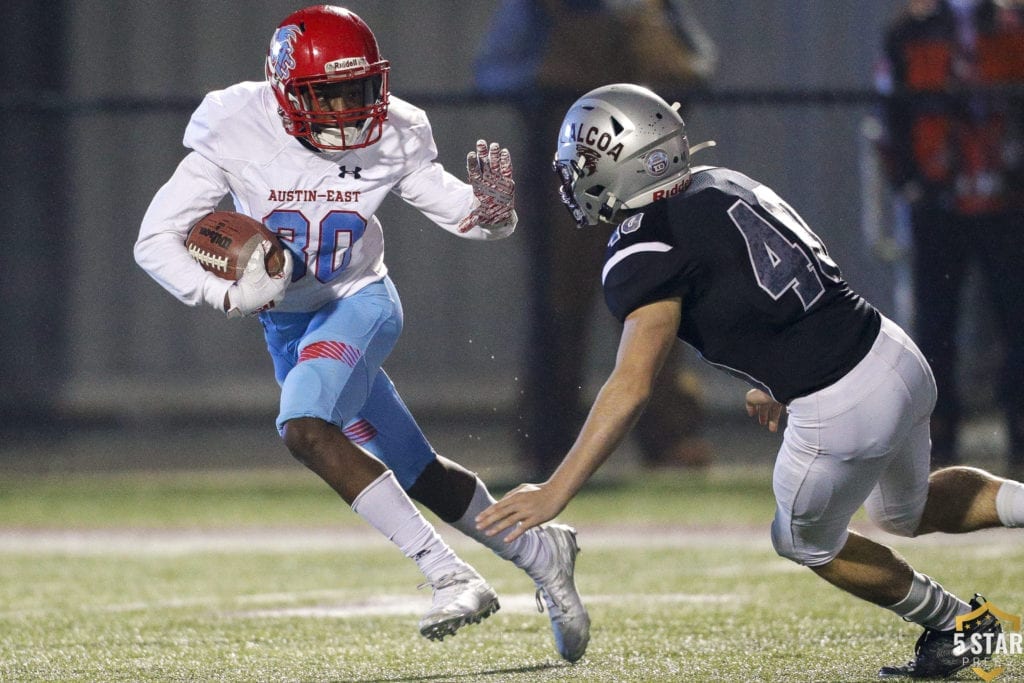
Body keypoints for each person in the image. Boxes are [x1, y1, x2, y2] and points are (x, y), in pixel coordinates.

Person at [476, 83, 1024, 678]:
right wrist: (775, 375)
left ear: (629, 161)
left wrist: (556, 490)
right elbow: (786, 279)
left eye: (586, 162)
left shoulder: (644, 247)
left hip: (840, 399)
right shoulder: (718, 180)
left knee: (804, 543)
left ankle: (965, 628)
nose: (575, 178)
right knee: (903, 513)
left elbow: (631, 386)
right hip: (892, 353)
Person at [134, 5, 589, 661]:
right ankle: (542, 552)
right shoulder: (237, 125)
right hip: (287, 324)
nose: (349, 109)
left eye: (359, 90)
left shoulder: (397, 130)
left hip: (360, 301)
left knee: (304, 427)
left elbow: (469, 217)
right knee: (419, 470)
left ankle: (450, 574)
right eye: (329, 94)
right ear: (285, 91)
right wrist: (223, 291)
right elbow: (155, 239)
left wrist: (493, 210)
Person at [473, 0, 719, 478]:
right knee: (559, 305)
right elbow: (492, 72)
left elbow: (700, 65)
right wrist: (550, 81)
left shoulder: (656, 5)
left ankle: (670, 437)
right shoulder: (536, 8)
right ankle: (548, 442)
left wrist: (661, 62)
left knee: (659, 292)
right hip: (566, 164)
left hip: (648, 162)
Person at [874, 0, 1024, 473]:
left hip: (1008, 202)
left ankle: (1020, 434)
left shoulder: (1012, 23)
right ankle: (940, 441)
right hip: (939, 202)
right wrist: (909, 184)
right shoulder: (911, 29)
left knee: (1017, 319)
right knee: (936, 323)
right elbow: (889, 110)